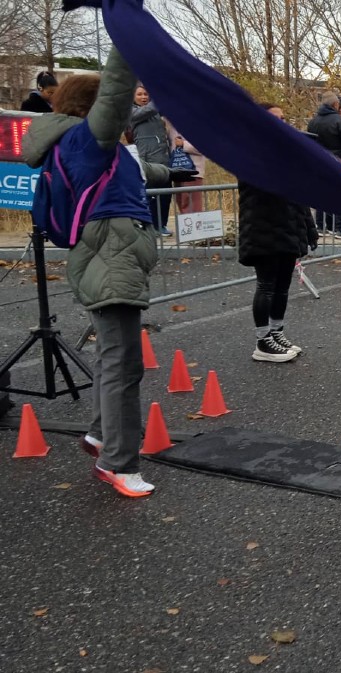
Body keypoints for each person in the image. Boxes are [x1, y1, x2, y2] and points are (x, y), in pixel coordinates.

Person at [24, 48, 176, 498]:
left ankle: (98, 434)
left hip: (112, 254)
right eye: (123, 107)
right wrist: (128, 39)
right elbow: (114, 90)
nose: (128, 113)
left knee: (114, 356)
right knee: (123, 362)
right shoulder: (88, 140)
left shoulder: (94, 147)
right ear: (96, 108)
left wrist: (174, 173)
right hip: (111, 257)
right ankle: (118, 463)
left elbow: (142, 168)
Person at [238, 102, 321, 363]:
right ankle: (262, 341)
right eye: (275, 119)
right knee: (267, 285)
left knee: (283, 286)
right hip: (263, 228)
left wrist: (309, 228)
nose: (281, 123)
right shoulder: (250, 154)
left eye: (283, 119)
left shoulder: (286, 156)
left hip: (287, 228)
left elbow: (299, 198)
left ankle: (276, 332)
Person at [307, 91, 341, 238]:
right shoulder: (340, 122)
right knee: (340, 196)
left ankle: (321, 226)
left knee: (322, 195)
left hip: (319, 163)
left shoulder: (313, 122)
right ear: (335, 105)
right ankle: (339, 228)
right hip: (339, 162)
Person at [129, 84, 173, 235]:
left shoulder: (153, 111)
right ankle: (150, 226)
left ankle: (161, 225)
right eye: (139, 94)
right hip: (148, 160)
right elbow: (147, 111)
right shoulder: (132, 112)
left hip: (164, 159)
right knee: (151, 196)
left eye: (146, 94)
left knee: (166, 195)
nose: (143, 97)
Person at [168, 128, 206, 214]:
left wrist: (183, 144)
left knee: (193, 207)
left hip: (194, 172)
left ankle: (195, 226)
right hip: (177, 171)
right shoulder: (171, 127)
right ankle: (186, 226)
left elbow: (204, 147)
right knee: (181, 204)